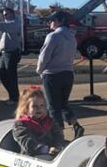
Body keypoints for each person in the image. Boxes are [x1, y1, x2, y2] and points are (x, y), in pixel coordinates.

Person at [36, 10, 85, 139]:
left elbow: (44, 57)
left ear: (59, 21)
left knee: (53, 107)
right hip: (68, 73)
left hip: (52, 74)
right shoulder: (71, 37)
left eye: (52, 20)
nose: (49, 23)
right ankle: (75, 125)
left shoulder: (53, 36)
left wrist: (39, 70)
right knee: (63, 104)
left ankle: (58, 135)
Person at [12, 87, 65, 157]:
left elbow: (59, 136)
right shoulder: (20, 124)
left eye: (42, 105)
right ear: (26, 108)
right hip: (31, 158)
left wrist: (57, 147)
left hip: (52, 155)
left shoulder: (50, 121)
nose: (39, 108)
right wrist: (46, 149)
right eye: (35, 106)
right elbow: (27, 143)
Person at [0, 7, 23, 105]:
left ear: (12, 14)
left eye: (6, 14)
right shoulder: (5, 25)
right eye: (3, 15)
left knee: (11, 75)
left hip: (12, 53)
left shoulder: (14, 24)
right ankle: (13, 95)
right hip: (4, 53)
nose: (4, 16)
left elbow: (4, 26)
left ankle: (15, 98)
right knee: (2, 74)